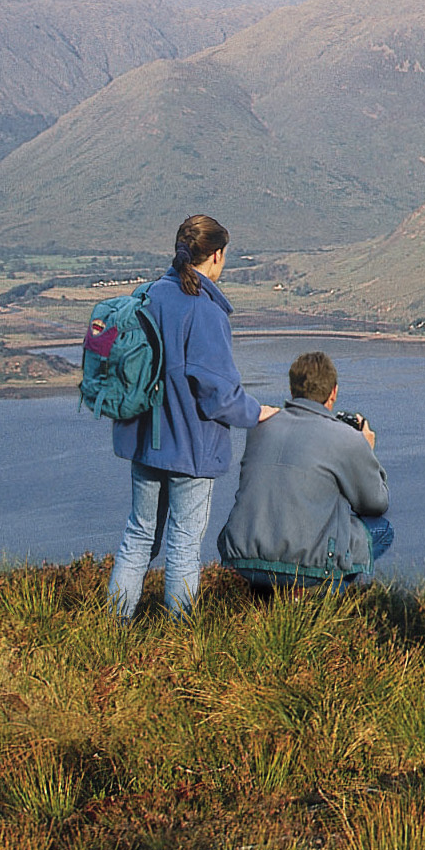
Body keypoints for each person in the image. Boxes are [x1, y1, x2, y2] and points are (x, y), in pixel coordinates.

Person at [105, 213, 253, 616]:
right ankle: (179, 640)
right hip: (190, 449)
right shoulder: (206, 312)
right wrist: (260, 414)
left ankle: (112, 628)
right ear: (217, 256)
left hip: (143, 441)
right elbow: (220, 396)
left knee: (138, 536)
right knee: (184, 546)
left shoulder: (147, 294)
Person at [220, 349, 392, 596]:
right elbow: (375, 504)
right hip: (305, 564)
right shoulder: (347, 439)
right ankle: (319, 596)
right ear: (333, 392)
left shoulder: (261, 426)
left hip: (245, 558)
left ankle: (274, 593)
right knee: (382, 529)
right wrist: (366, 450)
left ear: (292, 390)